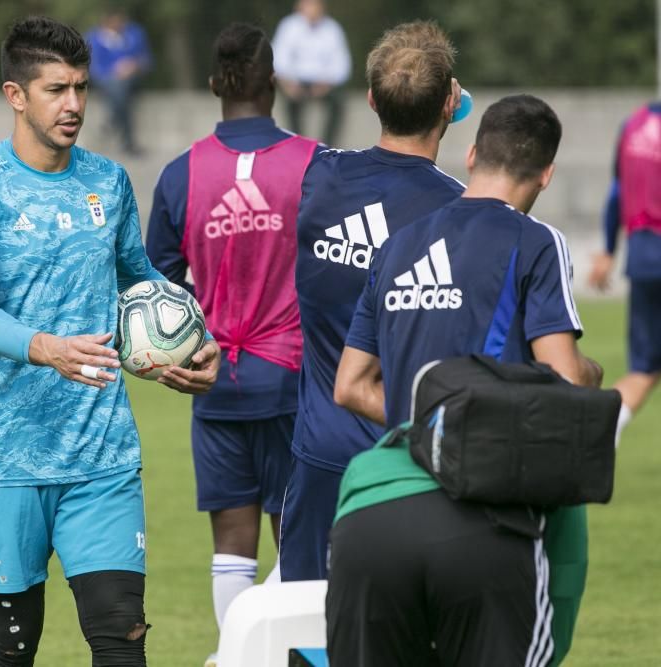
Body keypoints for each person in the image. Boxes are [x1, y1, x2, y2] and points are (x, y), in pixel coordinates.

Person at [0, 17, 220, 667]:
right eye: (57, 89)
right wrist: (49, 348)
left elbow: (143, 282)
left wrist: (198, 341)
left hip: (102, 454)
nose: (75, 105)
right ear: (15, 95)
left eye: (82, 87)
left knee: (122, 641)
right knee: (10, 649)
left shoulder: (108, 183)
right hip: (5, 456)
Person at [331, 94, 601, 666]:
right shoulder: (536, 242)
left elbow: (350, 386)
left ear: (473, 152)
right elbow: (564, 385)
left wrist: (426, 424)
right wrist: (590, 374)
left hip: (370, 517)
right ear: (546, 175)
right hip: (482, 516)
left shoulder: (397, 245)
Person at [145, 22, 319, 667]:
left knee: (231, 547)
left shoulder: (181, 173)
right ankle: (259, 658)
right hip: (295, 378)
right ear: (273, 82)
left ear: (215, 84)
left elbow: (156, 287)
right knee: (299, 544)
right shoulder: (314, 164)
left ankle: (238, 657)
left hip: (212, 380)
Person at [280, 20, 466, 583]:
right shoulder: (458, 215)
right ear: (451, 105)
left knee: (305, 632)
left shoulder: (318, 177)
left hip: (320, 456)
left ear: (369, 99)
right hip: (411, 461)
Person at [589, 100, 661, 441]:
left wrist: (608, 250)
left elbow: (617, 192)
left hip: (644, 258)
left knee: (644, 368)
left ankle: (603, 428)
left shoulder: (633, 125)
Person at [271, 0, 351, 146]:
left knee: (338, 103)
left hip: (324, 82)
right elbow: (278, 58)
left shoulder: (333, 29)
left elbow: (342, 65)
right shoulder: (288, 26)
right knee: (291, 104)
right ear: (299, 6)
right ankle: (298, 144)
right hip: (295, 81)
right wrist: (288, 82)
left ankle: (328, 146)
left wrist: (327, 83)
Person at [86, 8, 152, 155]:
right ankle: (128, 143)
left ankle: (112, 121)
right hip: (104, 81)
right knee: (118, 88)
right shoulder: (93, 38)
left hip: (132, 79)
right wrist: (114, 71)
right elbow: (92, 67)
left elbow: (147, 60)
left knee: (120, 88)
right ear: (106, 21)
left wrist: (134, 65)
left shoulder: (135, 34)